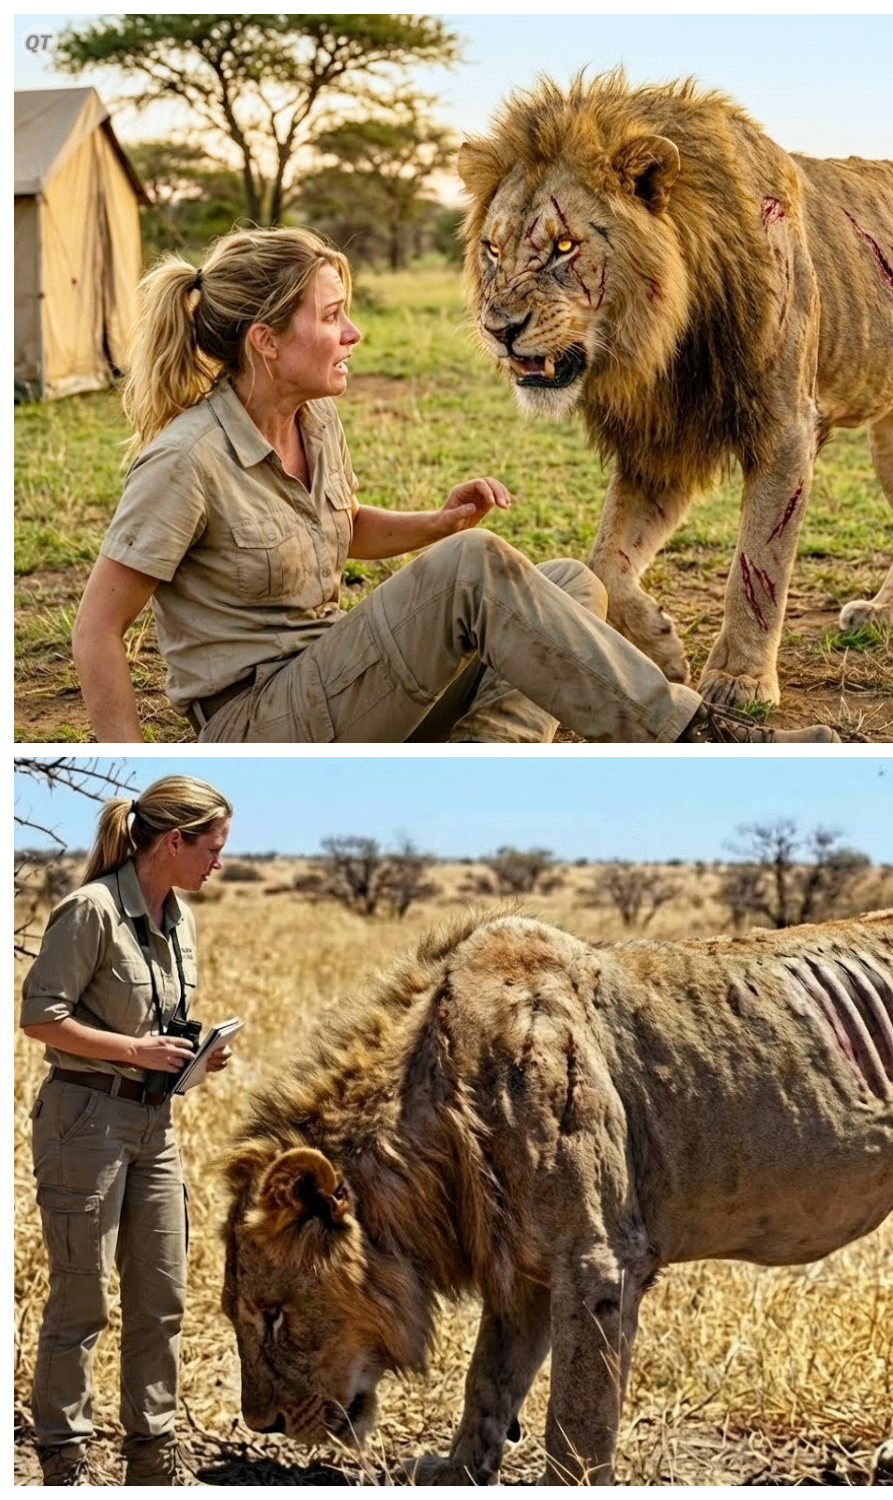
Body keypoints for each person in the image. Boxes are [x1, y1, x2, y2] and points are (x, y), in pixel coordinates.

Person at [72, 227, 837, 745]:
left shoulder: (313, 421)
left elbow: (340, 528)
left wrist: (437, 524)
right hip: (259, 723)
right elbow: (97, 628)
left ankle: (482, 755)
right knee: (479, 572)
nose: (353, 334)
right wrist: (137, 781)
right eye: (333, 316)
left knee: (569, 585)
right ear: (267, 343)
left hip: (333, 678)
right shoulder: (187, 459)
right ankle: (692, 734)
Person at [21, 776, 234, 1486]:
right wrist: (136, 1052)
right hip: (85, 1119)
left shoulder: (180, 918)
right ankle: (65, 1460)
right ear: (174, 842)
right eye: (213, 847)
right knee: (82, 1298)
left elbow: (157, 1023)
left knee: (162, 1299)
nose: (219, 863)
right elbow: (40, 1018)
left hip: (155, 1121)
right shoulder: (90, 911)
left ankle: (154, 1459)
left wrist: (193, 1057)